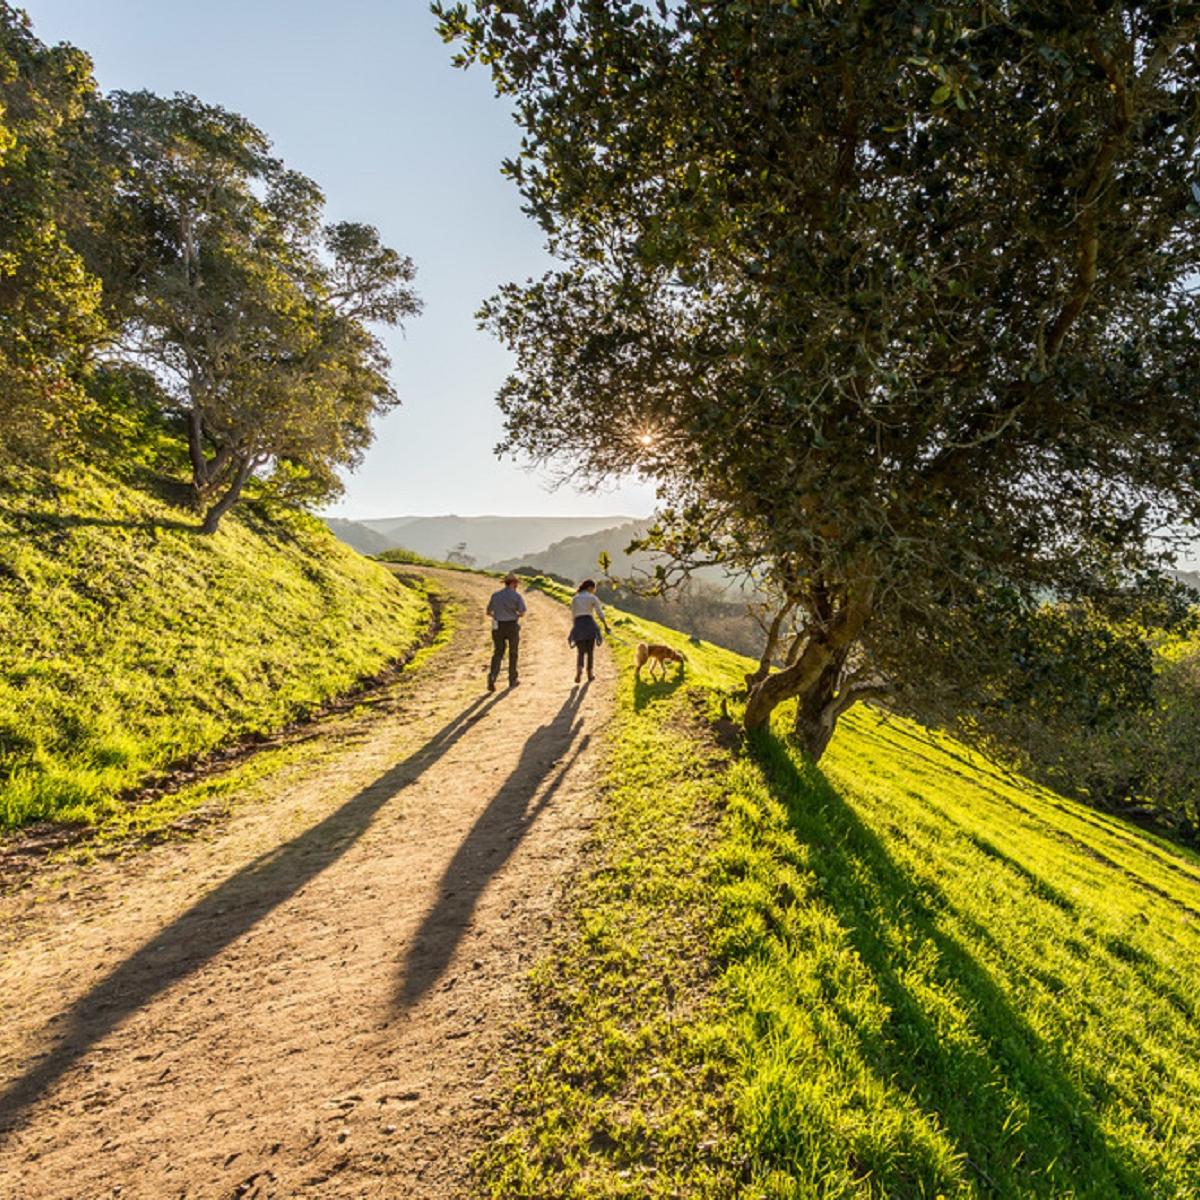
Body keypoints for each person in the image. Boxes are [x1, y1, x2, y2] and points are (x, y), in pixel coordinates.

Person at [486, 573, 526, 691]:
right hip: (511, 625)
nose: (517, 585)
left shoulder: (495, 595)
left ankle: (492, 676)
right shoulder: (516, 596)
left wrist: (497, 616)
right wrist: (516, 614)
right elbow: (522, 612)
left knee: (498, 652)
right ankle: (512, 679)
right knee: (513, 652)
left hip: (498, 626)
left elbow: (488, 612)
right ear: (513, 583)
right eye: (516, 583)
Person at [568, 579, 609, 684]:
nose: (594, 591)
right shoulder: (592, 598)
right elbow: (599, 613)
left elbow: (573, 615)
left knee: (580, 652)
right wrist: (605, 625)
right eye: (593, 589)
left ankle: (579, 670)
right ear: (590, 587)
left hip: (578, 625)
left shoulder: (575, 599)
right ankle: (590, 673)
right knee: (590, 651)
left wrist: (574, 628)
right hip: (589, 624)